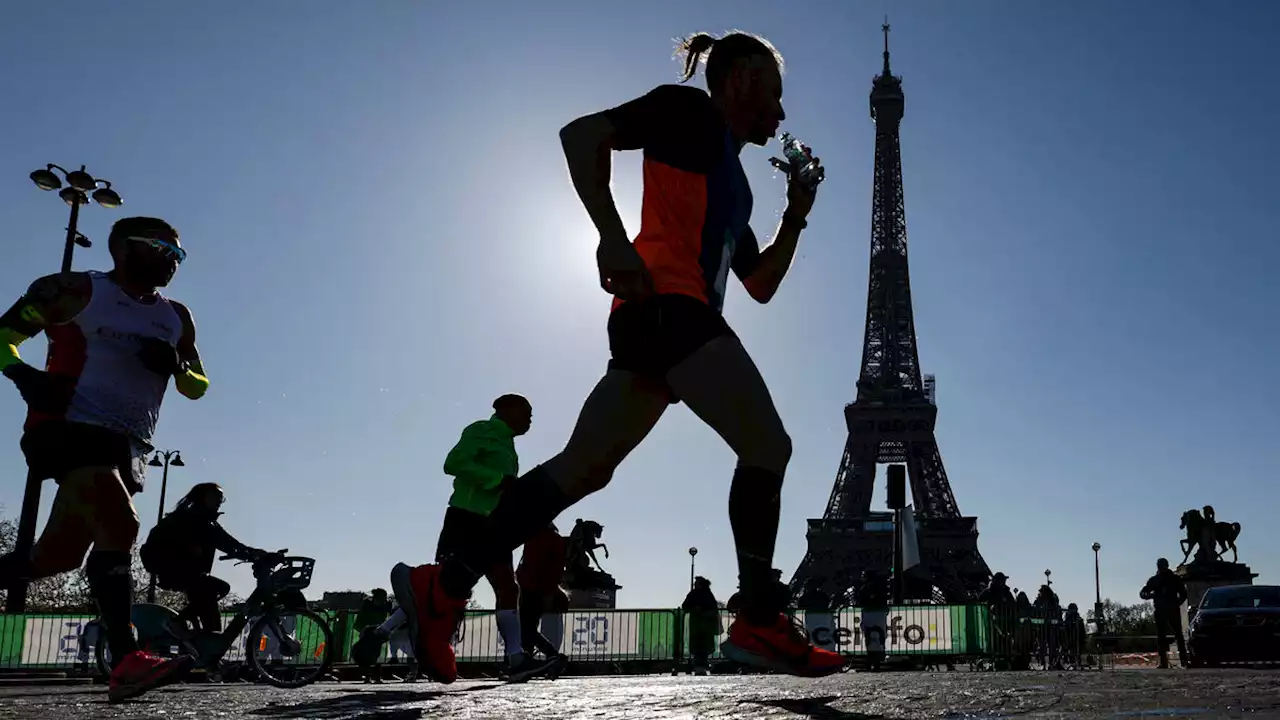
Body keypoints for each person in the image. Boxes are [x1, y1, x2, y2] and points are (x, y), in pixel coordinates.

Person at [389, 30, 843, 684]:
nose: (781, 112)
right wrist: (609, 237)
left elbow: (761, 284)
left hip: (650, 327)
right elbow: (580, 135)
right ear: (742, 77)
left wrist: (796, 216)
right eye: (775, 92)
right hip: (671, 311)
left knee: (581, 470)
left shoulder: (735, 185)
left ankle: (444, 585)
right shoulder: (688, 113)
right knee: (767, 446)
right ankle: (759, 618)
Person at [0, 216, 206, 702]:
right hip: (66, 428)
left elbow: (198, 387)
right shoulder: (74, 291)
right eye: (161, 249)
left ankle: (125, 660)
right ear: (122, 248)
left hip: (127, 446)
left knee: (58, 556)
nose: (172, 261)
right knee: (122, 524)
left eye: (179, 255)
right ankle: (127, 659)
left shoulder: (177, 316)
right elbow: (3, 336)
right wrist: (22, 374)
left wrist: (176, 366)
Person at [360, 394, 557, 683]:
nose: (530, 418)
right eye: (526, 411)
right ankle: (382, 633)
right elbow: (453, 464)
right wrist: (497, 479)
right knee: (442, 588)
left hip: (494, 525)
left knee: (506, 587)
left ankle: (516, 659)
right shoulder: (481, 430)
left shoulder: (508, 445)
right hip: (465, 518)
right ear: (504, 409)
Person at [140, 483, 263, 639]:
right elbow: (227, 544)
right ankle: (177, 621)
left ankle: (206, 653)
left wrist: (252, 553)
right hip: (178, 571)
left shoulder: (201, 518)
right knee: (220, 587)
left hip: (183, 572)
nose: (219, 501)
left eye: (221, 498)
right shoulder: (196, 519)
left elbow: (229, 542)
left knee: (210, 609)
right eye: (216, 496)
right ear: (203, 497)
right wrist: (254, 555)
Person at [516, 522, 570, 676]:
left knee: (526, 628)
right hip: (531, 588)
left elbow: (552, 569)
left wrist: (549, 592)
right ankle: (529, 659)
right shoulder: (542, 538)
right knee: (528, 627)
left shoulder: (543, 539)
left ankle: (548, 654)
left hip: (534, 589)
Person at [1140, 557, 1188, 669]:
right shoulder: (1156, 580)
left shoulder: (1173, 579)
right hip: (1163, 610)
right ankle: (1166, 662)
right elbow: (1143, 593)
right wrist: (1150, 596)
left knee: (1177, 635)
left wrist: (1177, 603)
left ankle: (1182, 660)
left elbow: (1183, 594)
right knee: (1164, 636)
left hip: (1170, 609)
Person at [681, 576, 721, 675]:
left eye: (697, 583)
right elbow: (685, 606)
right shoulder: (692, 594)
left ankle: (702, 664)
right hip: (696, 626)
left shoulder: (708, 594)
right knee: (697, 645)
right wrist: (693, 608)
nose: (695, 585)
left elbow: (713, 608)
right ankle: (699, 665)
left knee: (704, 646)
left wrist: (704, 612)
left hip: (705, 625)